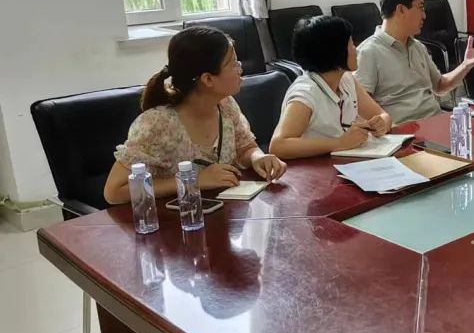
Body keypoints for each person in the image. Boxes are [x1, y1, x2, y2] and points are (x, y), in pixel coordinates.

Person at [103, 27, 287, 204]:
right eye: (233, 64)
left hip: (222, 215)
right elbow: (114, 192)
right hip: (174, 219)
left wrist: (258, 157)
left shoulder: (225, 105)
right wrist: (192, 180)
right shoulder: (157, 124)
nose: (240, 69)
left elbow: (245, 147)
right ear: (208, 79)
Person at [357, 0, 474, 124]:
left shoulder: (418, 47)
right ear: (401, 9)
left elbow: (440, 86)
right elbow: (359, 105)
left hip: (435, 122)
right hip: (402, 131)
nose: (424, 15)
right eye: (420, 7)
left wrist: (466, 65)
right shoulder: (368, 52)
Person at [269, 15, 393, 159]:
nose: (357, 50)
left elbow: (382, 115)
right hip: (315, 167)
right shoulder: (305, 94)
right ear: (336, 52)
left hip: (345, 161)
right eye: (351, 45)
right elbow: (278, 146)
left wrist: (381, 124)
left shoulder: (346, 79)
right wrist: (338, 143)